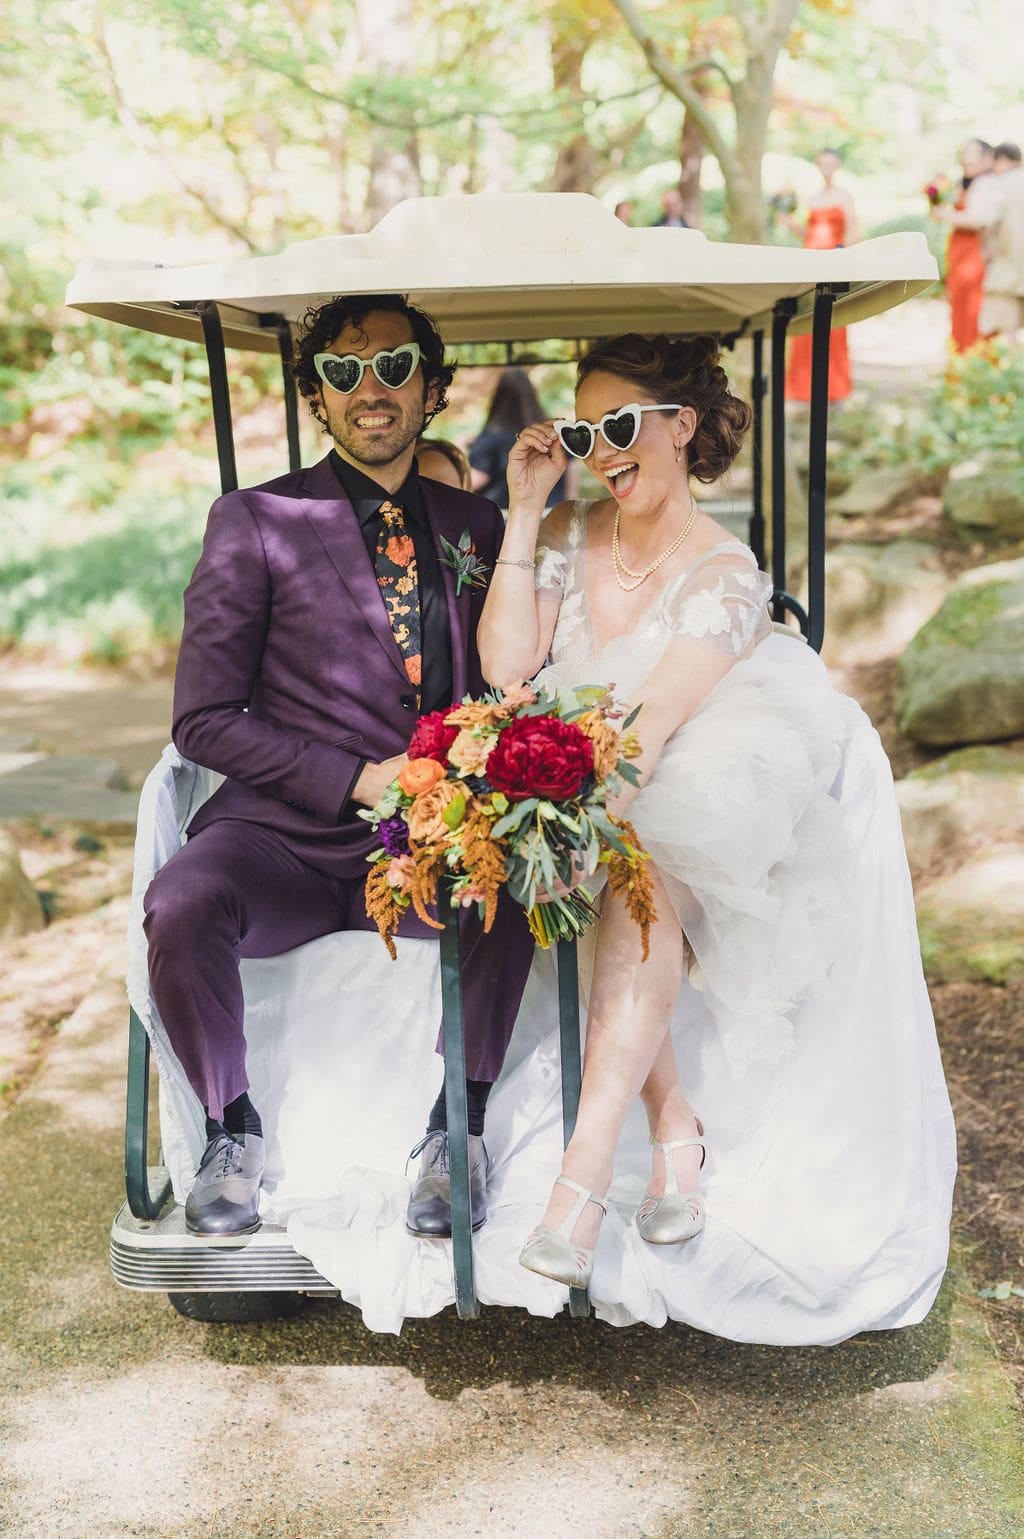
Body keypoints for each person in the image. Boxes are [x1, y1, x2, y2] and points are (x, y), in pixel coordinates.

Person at [476, 332, 955, 1330]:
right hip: (585, 755)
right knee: (615, 868)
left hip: (693, 759)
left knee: (635, 862)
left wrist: (580, 821)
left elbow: (651, 728)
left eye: (619, 426)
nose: (602, 451)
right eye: (582, 431)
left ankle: (580, 1178)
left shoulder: (724, 567)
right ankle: (673, 1127)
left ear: (680, 425)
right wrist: (522, 515)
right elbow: (508, 672)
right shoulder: (569, 533)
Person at [143, 293, 534, 1240]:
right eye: (345, 369)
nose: (371, 388)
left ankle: (457, 1132)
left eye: (395, 367)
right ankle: (230, 1130)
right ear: (316, 391)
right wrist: (356, 778)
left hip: (426, 841)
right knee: (181, 900)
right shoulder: (254, 520)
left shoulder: (473, 527)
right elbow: (202, 718)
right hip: (280, 836)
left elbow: (505, 678)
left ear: (431, 389)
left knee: (515, 884)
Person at [785, 150, 859, 402]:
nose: (826, 167)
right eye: (822, 163)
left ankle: (834, 389)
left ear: (837, 165)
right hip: (810, 260)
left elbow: (852, 229)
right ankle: (802, 388)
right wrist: (790, 224)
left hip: (833, 260)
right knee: (807, 317)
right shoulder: (813, 198)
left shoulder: (844, 196)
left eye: (830, 163)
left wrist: (845, 260)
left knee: (833, 321)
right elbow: (809, 232)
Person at [934, 139, 1001, 352]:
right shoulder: (967, 184)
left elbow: (978, 219)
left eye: (973, 153)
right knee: (960, 312)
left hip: (974, 257)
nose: (967, 158)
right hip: (960, 256)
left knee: (973, 314)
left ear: (986, 158)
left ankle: (973, 369)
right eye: (965, 153)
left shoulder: (987, 183)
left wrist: (945, 214)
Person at [469, 366, 568, 508]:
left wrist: (458, 452)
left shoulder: (490, 438)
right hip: (552, 513)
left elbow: (473, 482)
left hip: (504, 516)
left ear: (499, 397)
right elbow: (571, 476)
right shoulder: (552, 433)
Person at [980, 142, 1024, 342]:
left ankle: (1012, 371)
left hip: (1007, 270)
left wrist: (986, 249)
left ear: (1002, 160)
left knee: (1007, 330)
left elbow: (988, 222)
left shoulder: (1000, 185)